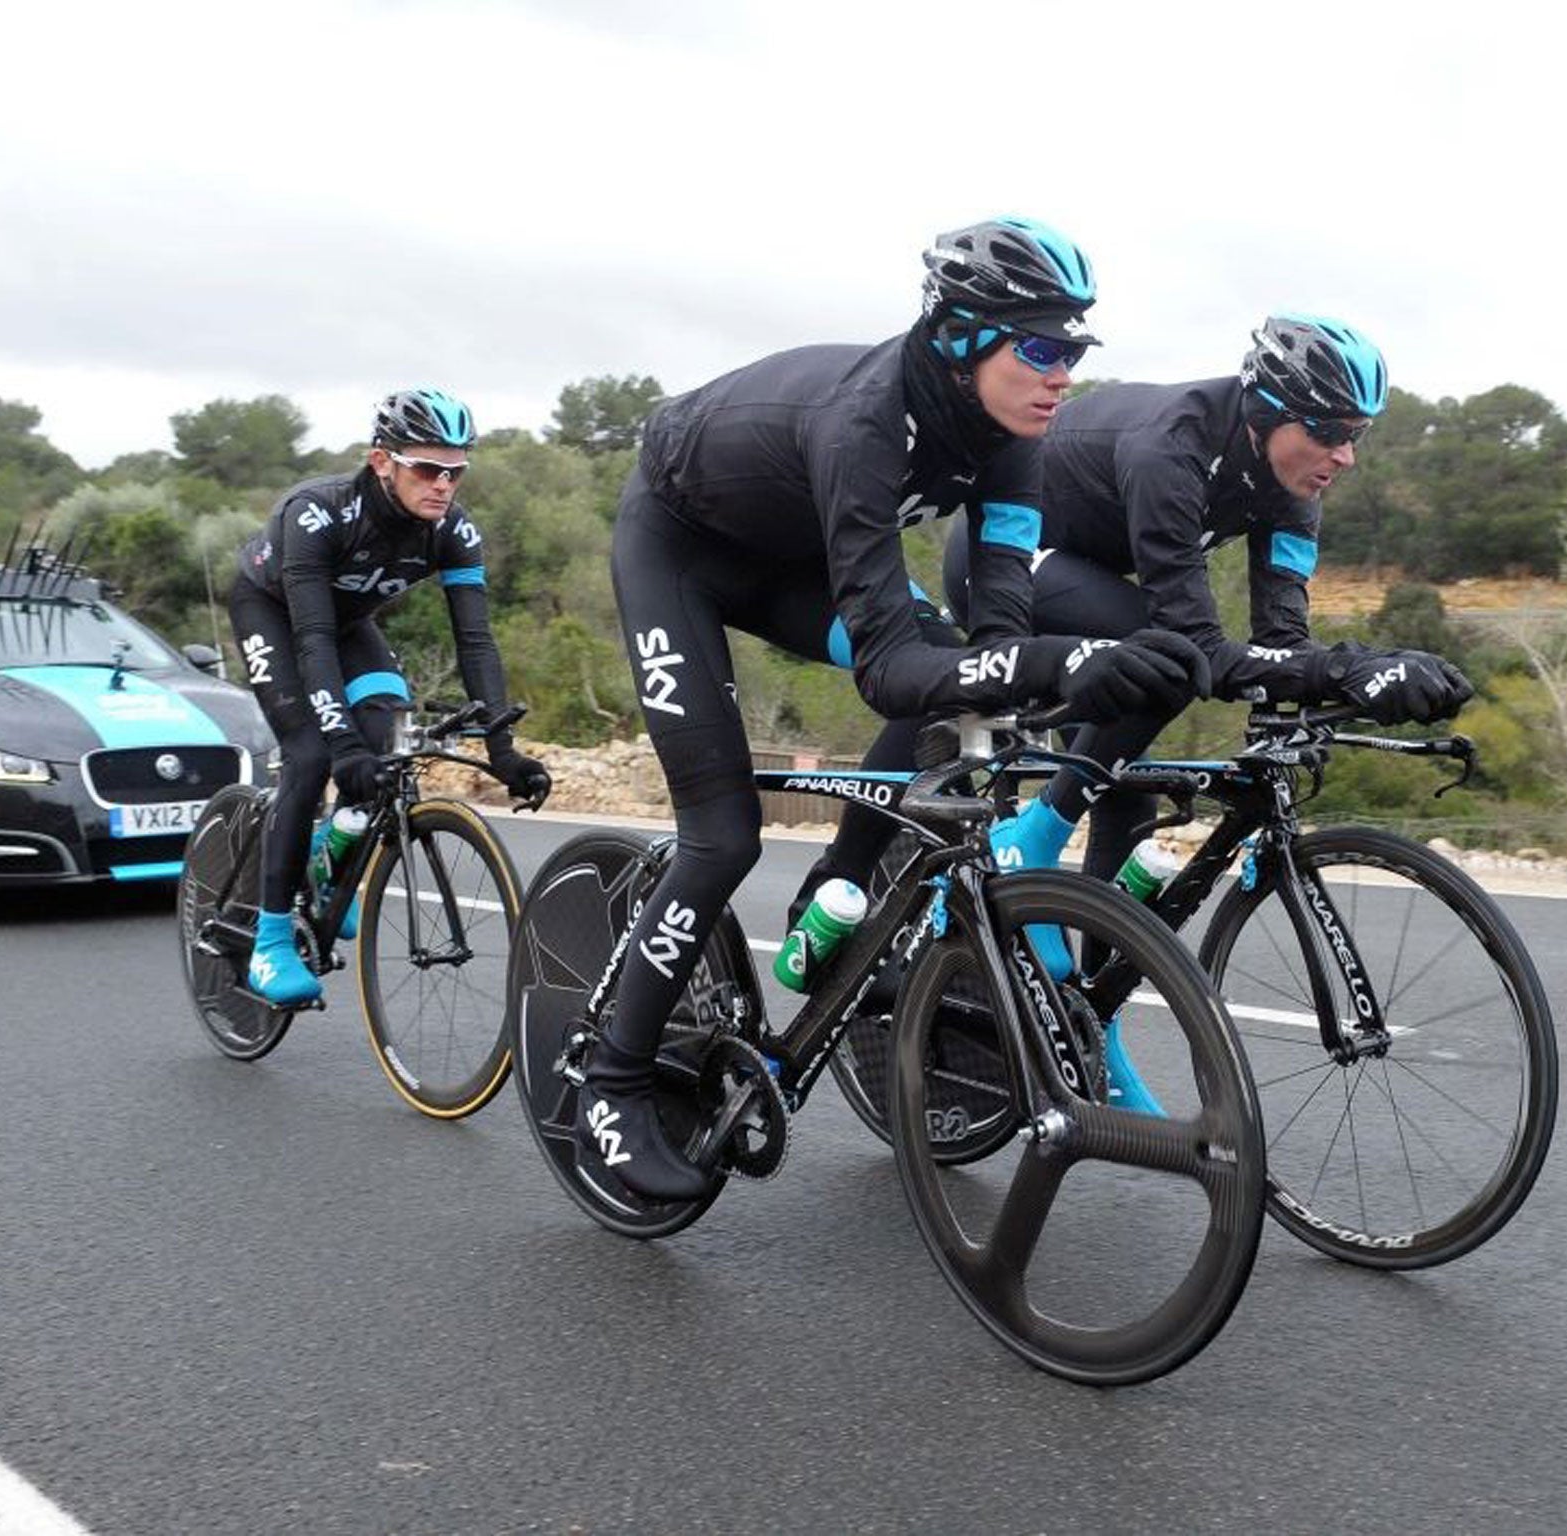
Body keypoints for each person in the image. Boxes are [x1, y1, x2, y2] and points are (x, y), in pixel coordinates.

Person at [584, 217, 1212, 1199]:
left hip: (796, 565)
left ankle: (844, 902)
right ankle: (611, 1085)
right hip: (681, 556)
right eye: (1040, 349)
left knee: (960, 683)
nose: (1062, 377)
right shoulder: (866, 420)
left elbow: (996, 643)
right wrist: (1073, 654)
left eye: (1073, 352)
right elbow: (885, 671)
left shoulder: (1012, 438)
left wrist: (1065, 669)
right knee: (722, 836)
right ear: (960, 334)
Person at [938, 314, 1474, 951]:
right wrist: (1345, 668)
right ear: (1266, 409)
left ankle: (1089, 1013)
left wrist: (1371, 675)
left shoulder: (1298, 489)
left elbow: (1285, 646)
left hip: (1087, 573)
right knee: (1165, 658)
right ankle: (1032, 843)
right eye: (1329, 430)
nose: (1345, 455)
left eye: (1357, 433)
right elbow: (1199, 649)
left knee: (1125, 793)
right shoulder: (1174, 445)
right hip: (998, 560)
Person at [227, 388, 549, 1007]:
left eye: (456, 471)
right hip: (273, 612)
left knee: (390, 741)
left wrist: (503, 749)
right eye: (427, 469)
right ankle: (269, 941)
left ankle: (333, 848)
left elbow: (475, 642)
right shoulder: (317, 515)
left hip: (348, 626)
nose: (443, 485)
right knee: (312, 755)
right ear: (383, 462)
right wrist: (340, 740)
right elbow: (312, 638)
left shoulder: (453, 531)